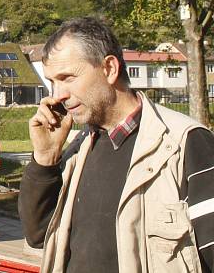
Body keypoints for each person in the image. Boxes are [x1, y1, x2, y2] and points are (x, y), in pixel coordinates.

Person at [19, 17, 214, 272]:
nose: (57, 96)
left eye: (67, 78)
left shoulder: (185, 143)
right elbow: (38, 236)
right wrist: (45, 159)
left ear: (110, 69)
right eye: (52, 82)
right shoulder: (80, 148)